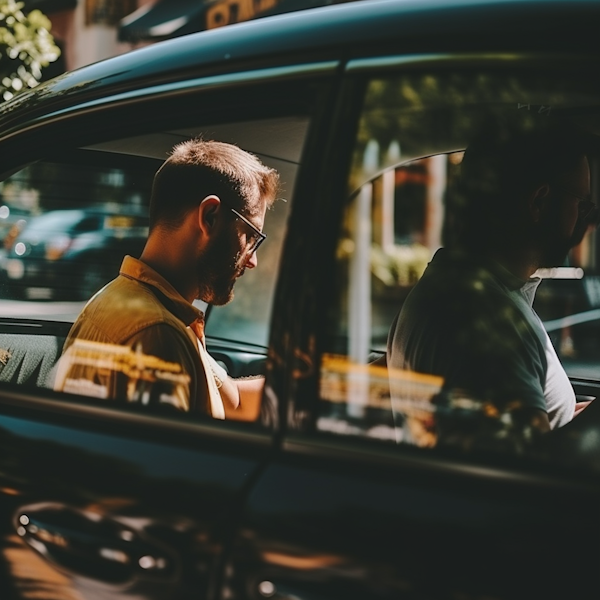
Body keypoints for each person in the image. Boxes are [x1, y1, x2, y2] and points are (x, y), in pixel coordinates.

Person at [387, 123, 599, 437]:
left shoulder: (453, 287)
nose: (587, 218)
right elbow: (528, 472)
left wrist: (569, 415)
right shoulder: (488, 325)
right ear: (539, 201)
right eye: (581, 203)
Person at [54, 138, 279, 421]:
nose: (252, 260)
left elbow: (233, 401)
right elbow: (174, 465)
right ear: (209, 217)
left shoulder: (134, 302)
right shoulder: (156, 335)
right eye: (250, 237)